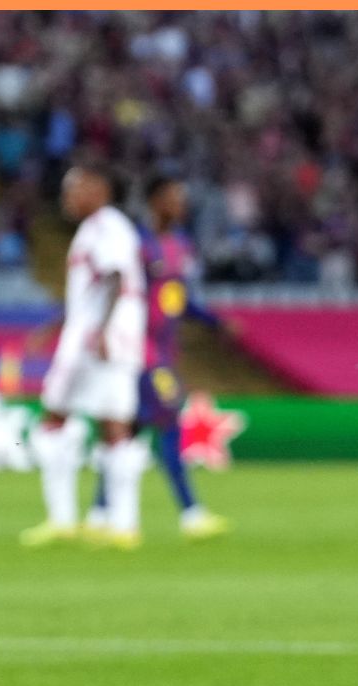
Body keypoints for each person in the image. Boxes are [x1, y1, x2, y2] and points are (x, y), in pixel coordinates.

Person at [85, 176, 234, 540]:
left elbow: (177, 299)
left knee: (129, 431)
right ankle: (191, 513)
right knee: (168, 424)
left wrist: (215, 322)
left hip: (163, 350)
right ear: (154, 202)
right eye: (172, 198)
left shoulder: (180, 245)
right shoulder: (136, 245)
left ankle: (99, 514)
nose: (180, 204)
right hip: (140, 352)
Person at [20, 164, 149, 550]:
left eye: (73, 189)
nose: (67, 198)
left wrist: (103, 331)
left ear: (99, 189)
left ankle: (66, 519)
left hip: (98, 342)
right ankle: (122, 525)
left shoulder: (107, 228)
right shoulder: (100, 229)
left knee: (56, 417)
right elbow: (95, 292)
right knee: (112, 427)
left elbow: (115, 279)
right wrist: (59, 323)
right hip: (105, 336)